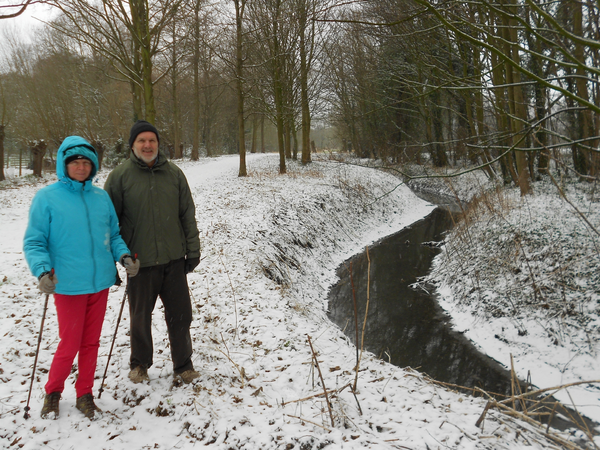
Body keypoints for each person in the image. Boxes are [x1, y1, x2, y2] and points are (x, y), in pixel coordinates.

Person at [23, 136, 140, 420]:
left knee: (91, 343)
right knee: (70, 342)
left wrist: (123, 256)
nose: (81, 166)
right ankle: (53, 392)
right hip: (67, 284)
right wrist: (41, 270)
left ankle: (84, 394)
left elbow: (112, 235)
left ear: (94, 165)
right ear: (65, 164)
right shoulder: (47, 198)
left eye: (86, 162)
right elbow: (35, 241)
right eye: (75, 161)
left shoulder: (101, 198)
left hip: (99, 282)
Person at [104, 120, 201, 385]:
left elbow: (187, 215)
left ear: (158, 144)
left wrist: (192, 250)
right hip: (139, 262)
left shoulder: (174, 174)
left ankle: (183, 365)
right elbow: (108, 223)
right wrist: (114, 259)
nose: (148, 145)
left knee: (181, 315)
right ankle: (140, 364)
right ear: (133, 145)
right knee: (139, 318)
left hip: (173, 260)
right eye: (142, 141)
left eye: (152, 141)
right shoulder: (119, 177)